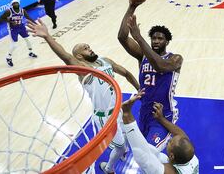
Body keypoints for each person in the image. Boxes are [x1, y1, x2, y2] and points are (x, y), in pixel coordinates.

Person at [27, 19, 140, 174]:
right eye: (85, 49)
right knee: (121, 147)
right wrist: (48, 37)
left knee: (126, 137)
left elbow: (126, 73)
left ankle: (117, 151)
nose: (90, 49)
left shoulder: (105, 61)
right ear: (79, 56)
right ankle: (108, 169)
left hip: (118, 109)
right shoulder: (83, 69)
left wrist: (139, 89)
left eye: (89, 46)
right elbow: (66, 57)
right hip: (104, 117)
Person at [118, 2, 183, 151]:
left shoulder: (176, 59)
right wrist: (132, 7)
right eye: (153, 38)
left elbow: (160, 66)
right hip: (144, 113)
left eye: (160, 39)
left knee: (150, 153)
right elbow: (122, 37)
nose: (156, 41)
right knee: (142, 153)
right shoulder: (143, 55)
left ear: (167, 41)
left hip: (163, 115)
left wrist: (139, 38)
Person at [122, 89, 199, 174]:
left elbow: (143, 158)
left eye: (170, 142)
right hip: (175, 164)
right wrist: (161, 119)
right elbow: (180, 135)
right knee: (156, 155)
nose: (169, 140)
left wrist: (126, 113)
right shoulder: (190, 157)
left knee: (149, 165)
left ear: (172, 156)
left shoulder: (170, 172)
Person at [0, 0, 38, 67]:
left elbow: (28, 17)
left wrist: (36, 24)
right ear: (12, 5)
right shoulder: (8, 11)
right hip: (13, 29)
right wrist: (10, 22)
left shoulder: (22, 10)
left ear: (19, 3)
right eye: (14, 3)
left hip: (21, 26)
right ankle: (8, 58)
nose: (16, 4)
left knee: (28, 40)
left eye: (17, 3)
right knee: (14, 45)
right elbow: (0, 19)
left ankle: (30, 52)